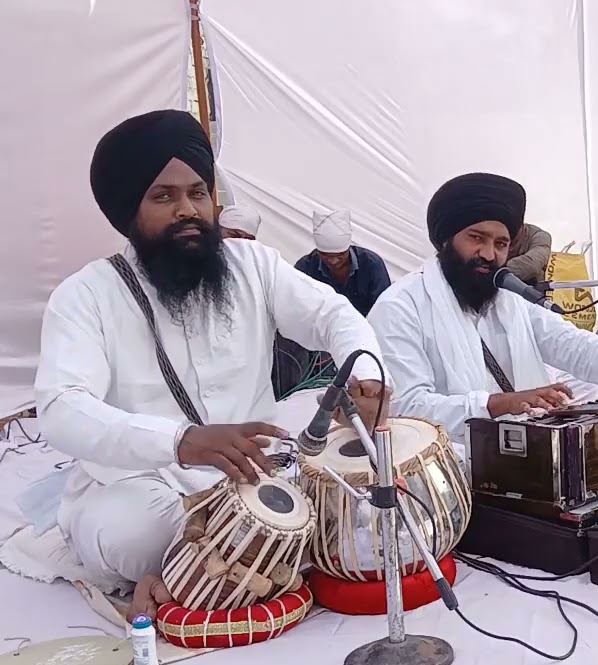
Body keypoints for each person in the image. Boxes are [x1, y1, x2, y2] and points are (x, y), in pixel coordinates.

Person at [34, 109, 389, 619]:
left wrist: (366, 376)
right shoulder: (86, 295)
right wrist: (179, 441)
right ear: (128, 211)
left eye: (198, 193)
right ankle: (178, 564)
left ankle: (198, 570)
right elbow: (62, 408)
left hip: (256, 469)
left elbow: (334, 315)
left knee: (354, 501)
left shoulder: (254, 265)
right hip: (143, 481)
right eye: (164, 196)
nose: (188, 210)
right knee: (135, 536)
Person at [368, 172, 598, 442]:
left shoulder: (506, 297)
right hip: (451, 474)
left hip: (528, 458)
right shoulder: (400, 307)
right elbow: (406, 409)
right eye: (477, 238)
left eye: (501, 243)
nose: (489, 254)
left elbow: (574, 345)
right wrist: (498, 404)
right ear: (445, 239)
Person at [295, 209, 392, 316]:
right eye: (325, 255)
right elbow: (297, 307)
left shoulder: (371, 265)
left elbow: (384, 308)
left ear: (348, 248)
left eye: (340, 255)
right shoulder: (305, 268)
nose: (333, 261)